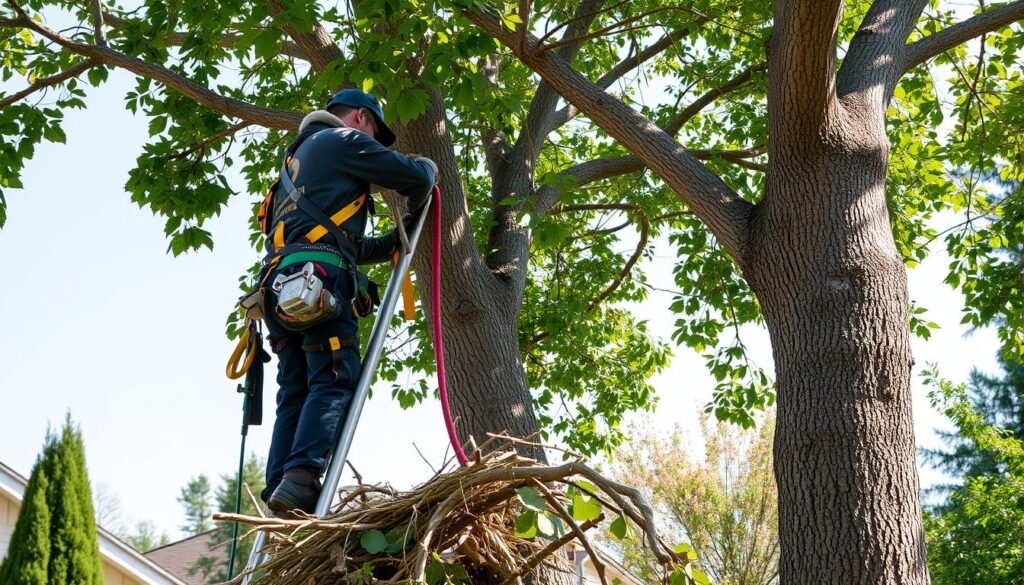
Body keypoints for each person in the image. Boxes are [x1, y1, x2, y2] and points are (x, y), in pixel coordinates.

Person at [256, 89, 437, 514]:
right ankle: (301, 480)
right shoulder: (343, 141)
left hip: (280, 290)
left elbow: (340, 239)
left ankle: (281, 487)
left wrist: (393, 240)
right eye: (375, 130)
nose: (374, 141)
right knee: (334, 379)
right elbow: (416, 177)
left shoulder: (292, 168)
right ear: (360, 117)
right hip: (320, 284)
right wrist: (427, 168)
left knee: (295, 390)